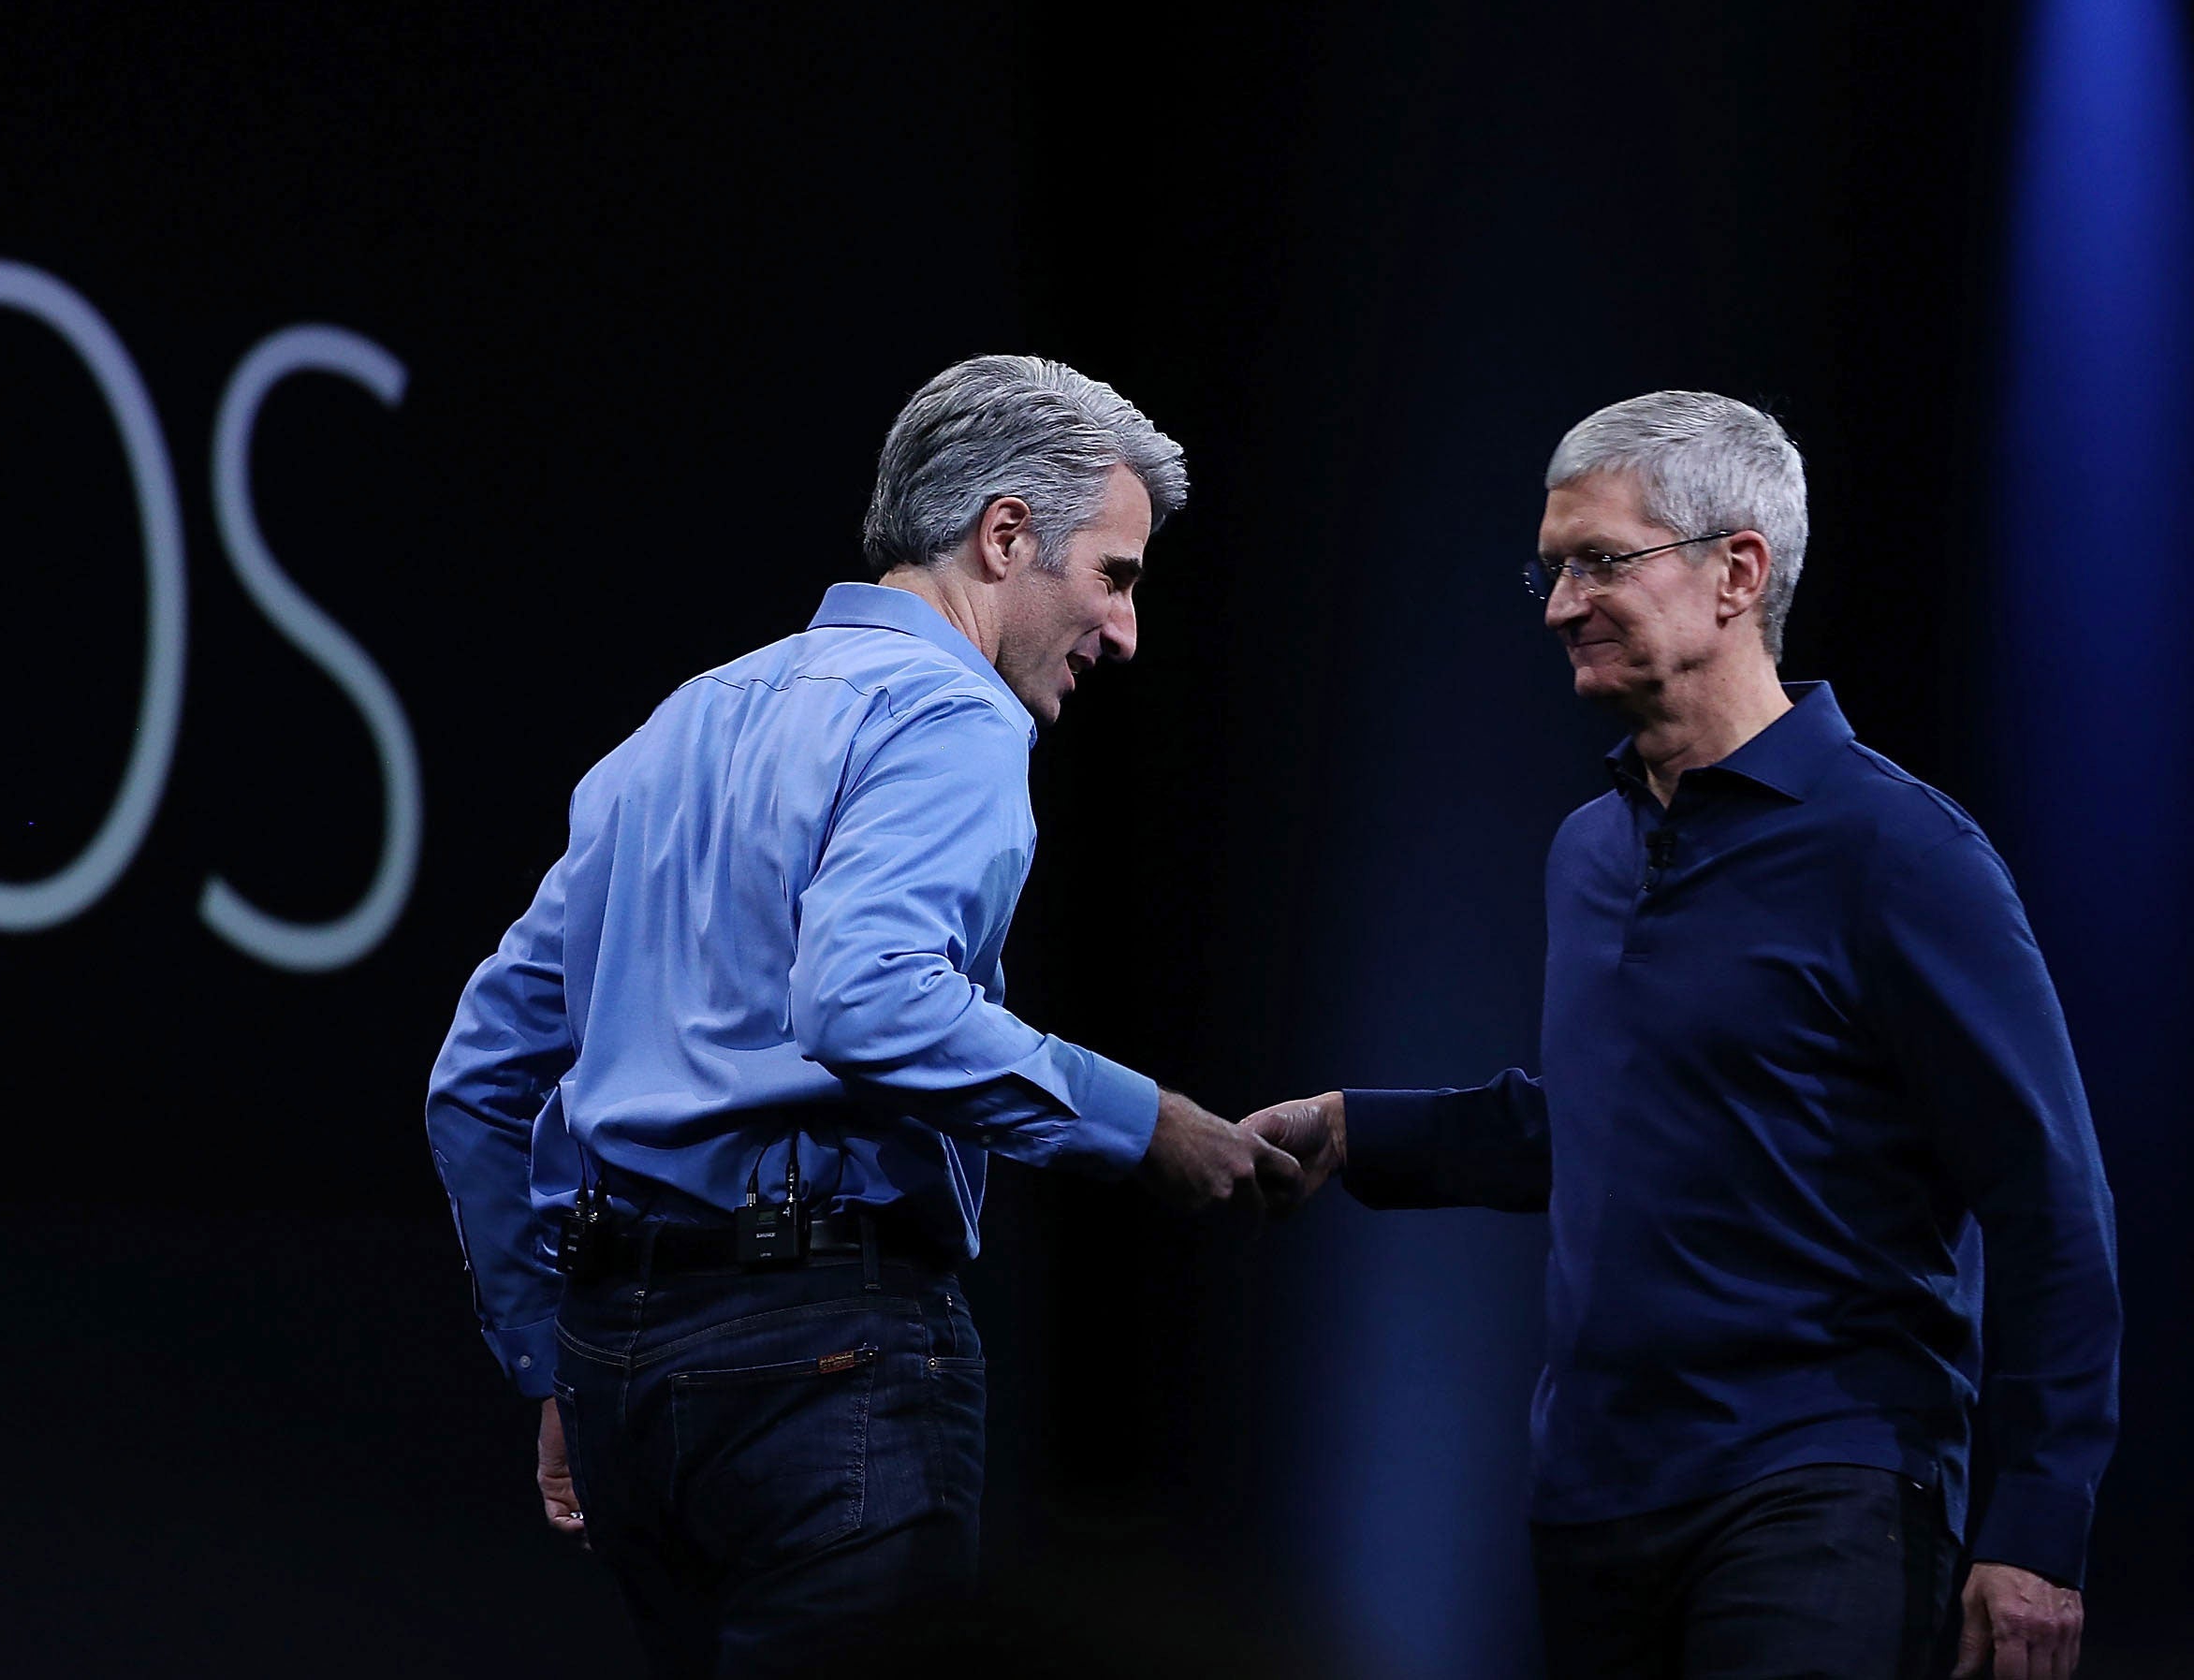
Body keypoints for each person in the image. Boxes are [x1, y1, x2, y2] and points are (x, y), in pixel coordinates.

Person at [427, 355, 1297, 1674]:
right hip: (823, 1359)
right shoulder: (956, 713)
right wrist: (1148, 1122)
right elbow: (868, 995)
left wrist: (554, 1355)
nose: (1124, 632)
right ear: (1005, 534)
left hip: (626, 1377)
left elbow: (479, 1075)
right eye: (1113, 576)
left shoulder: (674, 729)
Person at [1249, 392, 2119, 1680]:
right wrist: (1352, 1129)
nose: (1558, 604)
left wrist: (2039, 1523)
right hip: (1595, 1505)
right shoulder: (1589, 848)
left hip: (1820, 1489)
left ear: (1739, 571)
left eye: (1601, 560)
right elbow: (1610, 1120)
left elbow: (2049, 1196)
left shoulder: (1899, 852)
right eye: (1550, 569)